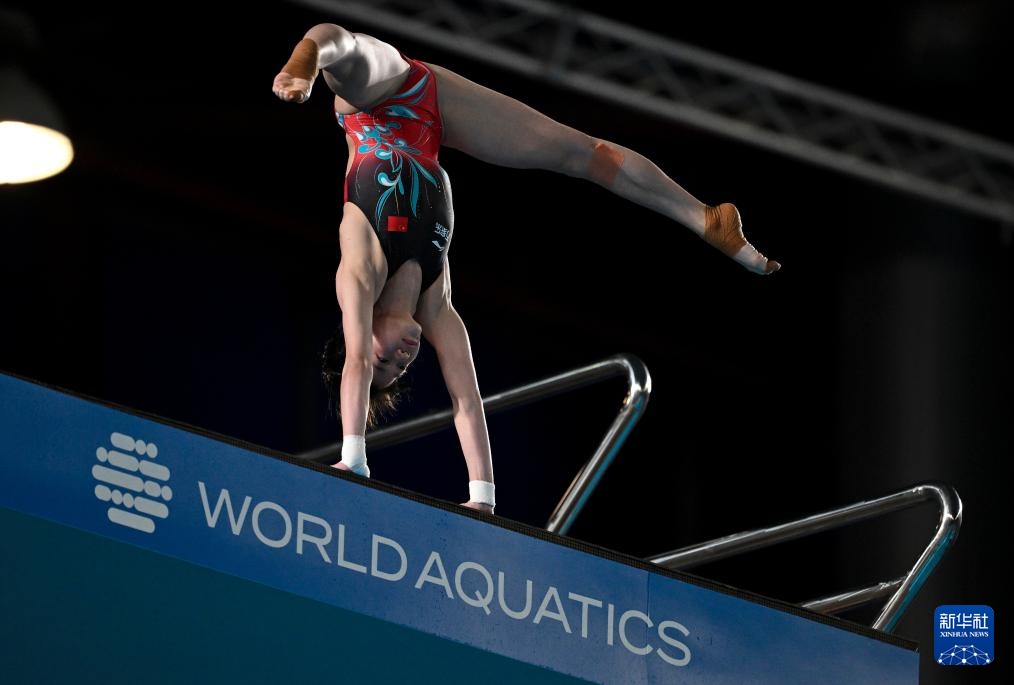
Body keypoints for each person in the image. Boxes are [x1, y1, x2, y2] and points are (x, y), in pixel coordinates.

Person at [272, 23, 780, 516]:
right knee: (582, 153)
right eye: (401, 369)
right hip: (433, 113)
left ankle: (302, 63)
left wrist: (355, 459)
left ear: (364, 335)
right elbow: (466, 399)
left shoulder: (361, 267)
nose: (401, 359)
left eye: (386, 360)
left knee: (337, 46)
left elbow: (356, 360)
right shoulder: (437, 299)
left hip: (374, 102)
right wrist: (483, 498)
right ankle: (707, 218)